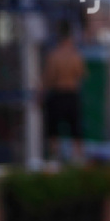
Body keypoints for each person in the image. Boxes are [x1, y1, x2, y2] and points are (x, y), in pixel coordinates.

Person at [41, 23, 87, 164]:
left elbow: (48, 78)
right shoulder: (76, 56)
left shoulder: (54, 55)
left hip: (58, 93)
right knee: (75, 129)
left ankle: (55, 158)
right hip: (71, 93)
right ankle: (77, 159)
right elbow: (81, 74)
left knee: (54, 130)